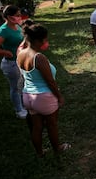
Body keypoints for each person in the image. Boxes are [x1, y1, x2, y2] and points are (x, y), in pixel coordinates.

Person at [17, 23, 69, 156]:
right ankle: (57, 148)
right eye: (45, 39)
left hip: (28, 95)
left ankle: (40, 153)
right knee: (52, 125)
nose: (46, 42)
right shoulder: (39, 58)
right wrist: (59, 96)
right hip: (44, 96)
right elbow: (50, 81)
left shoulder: (21, 53)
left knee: (37, 126)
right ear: (37, 40)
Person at [0, 5, 27, 119]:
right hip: (11, 64)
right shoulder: (4, 30)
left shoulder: (16, 26)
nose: (20, 17)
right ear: (9, 17)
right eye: (17, 15)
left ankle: (24, 105)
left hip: (20, 61)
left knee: (22, 85)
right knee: (15, 87)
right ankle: (19, 110)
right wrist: (6, 53)